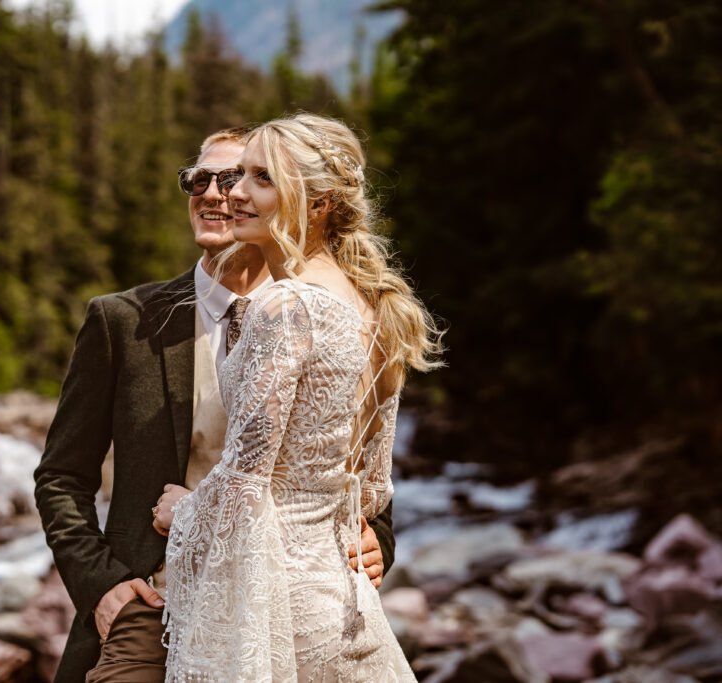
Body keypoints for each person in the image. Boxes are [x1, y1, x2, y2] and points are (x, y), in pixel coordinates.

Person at [34, 126, 397, 682]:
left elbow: (355, 466)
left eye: (237, 177)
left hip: (289, 611)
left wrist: (377, 540)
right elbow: (61, 475)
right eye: (196, 179)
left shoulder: (331, 310)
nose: (213, 193)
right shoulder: (123, 319)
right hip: (154, 605)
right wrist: (101, 587)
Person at [155, 114, 443, 681]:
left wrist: (180, 513)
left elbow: (243, 482)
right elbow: (373, 488)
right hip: (347, 603)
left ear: (319, 204)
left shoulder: (285, 307)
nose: (234, 193)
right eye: (240, 176)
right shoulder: (377, 308)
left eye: (261, 178)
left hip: (281, 611)